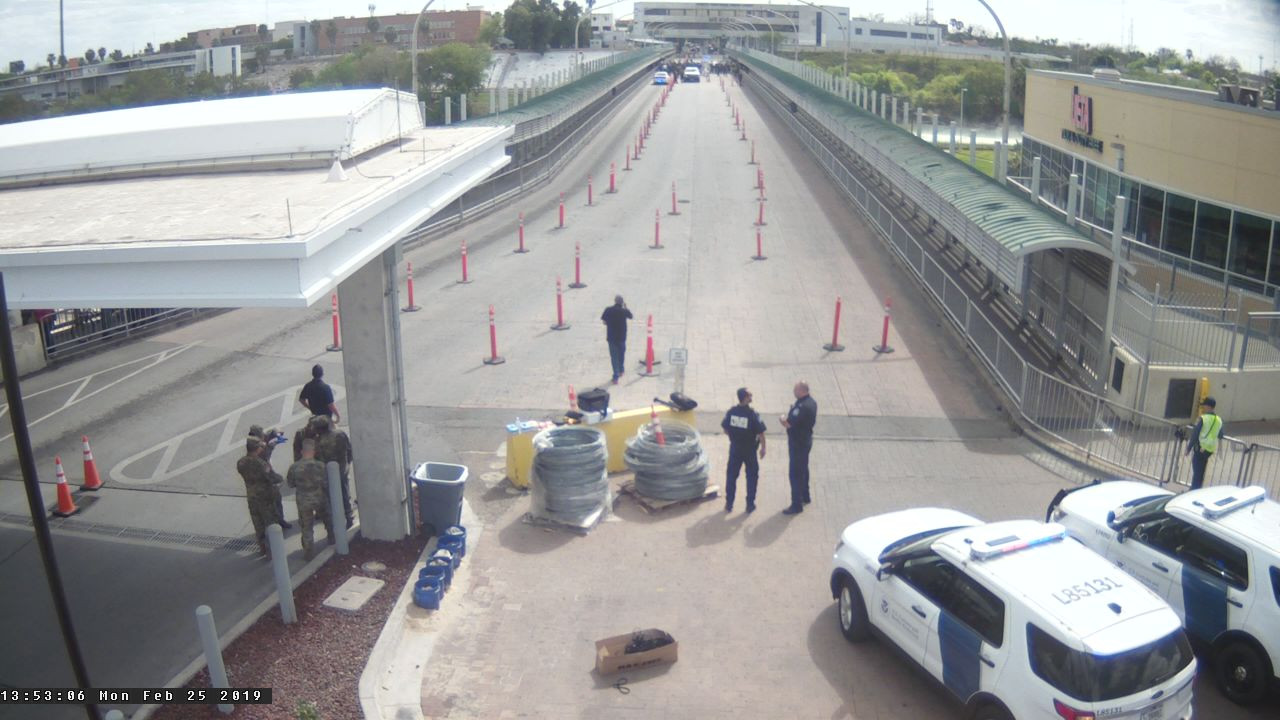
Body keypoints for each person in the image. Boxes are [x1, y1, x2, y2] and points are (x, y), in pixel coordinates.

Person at [236, 438, 285, 557]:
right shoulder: (261, 463)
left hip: (252, 497)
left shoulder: (241, 462)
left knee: (258, 524)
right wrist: (280, 478)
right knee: (270, 522)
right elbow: (272, 477)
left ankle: (262, 547)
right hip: (265, 497)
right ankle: (272, 550)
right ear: (257, 449)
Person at [721, 387, 766, 513]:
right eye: (749, 395)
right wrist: (763, 448)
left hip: (735, 449)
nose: (751, 396)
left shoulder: (732, 412)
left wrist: (734, 437)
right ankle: (750, 504)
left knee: (731, 476)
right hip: (750, 450)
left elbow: (725, 429)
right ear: (745, 398)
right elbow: (761, 433)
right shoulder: (752, 414)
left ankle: (729, 504)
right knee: (752, 477)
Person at [287, 439, 334, 560]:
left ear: (302, 451)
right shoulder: (321, 465)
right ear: (314, 451)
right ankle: (332, 538)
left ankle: (309, 551)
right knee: (328, 519)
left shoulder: (294, 467)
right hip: (319, 497)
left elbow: (290, 484)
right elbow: (325, 483)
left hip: (303, 500)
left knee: (306, 526)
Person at [780, 381, 817, 515]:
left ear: (802, 391)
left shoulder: (802, 407)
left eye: (795, 390)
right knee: (804, 469)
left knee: (795, 474)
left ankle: (796, 505)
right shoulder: (812, 402)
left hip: (798, 443)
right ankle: (805, 496)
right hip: (806, 440)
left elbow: (789, 424)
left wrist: (782, 419)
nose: (794, 392)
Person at [312, 415, 355, 527]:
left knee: (331, 499)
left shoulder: (318, 441)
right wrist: (347, 464)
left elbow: (319, 460)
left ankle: (336, 522)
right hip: (342, 469)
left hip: (329, 473)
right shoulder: (340, 434)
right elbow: (349, 450)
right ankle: (349, 517)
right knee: (345, 494)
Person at [248, 425, 291, 530]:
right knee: (274, 500)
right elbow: (265, 456)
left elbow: (276, 430)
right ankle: (278, 522)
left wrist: (277, 433)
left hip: (264, 475)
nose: (263, 436)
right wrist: (271, 445)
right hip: (263, 479)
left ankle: (276, 522)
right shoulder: (256, 449)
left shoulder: (260, 439)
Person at [1186, 397, 1223, 490]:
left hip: (1200, 448)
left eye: (1204, 406)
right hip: (1209, 450)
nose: (1203, 408)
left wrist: (1188, 448)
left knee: (1197, 472)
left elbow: (1195, 434)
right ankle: (1197, 489)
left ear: (1208, 406)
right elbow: (1221, 434)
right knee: (1201, 472)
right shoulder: (1218, 420)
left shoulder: (1203, 418)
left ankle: (1194, 491)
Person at [600, 295, 633, 384]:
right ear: (622, 303)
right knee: (621, 354)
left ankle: (616, 376)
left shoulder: (608, 310)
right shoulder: (624, 311)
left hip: (611, 338)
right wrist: (626, 308)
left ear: (614, 301)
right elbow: (631, 316)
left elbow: (604, 321)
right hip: (622, 337)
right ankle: (621, 369)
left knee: (614, 357)